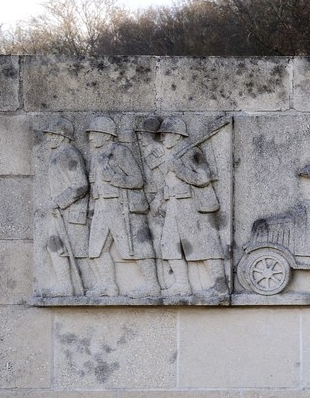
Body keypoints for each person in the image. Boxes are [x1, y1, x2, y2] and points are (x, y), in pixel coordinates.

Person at [83, 116, 159, 297]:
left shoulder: (120, 151)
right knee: (95, 249)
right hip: (101, 206)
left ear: (106, 135)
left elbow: (137, 180)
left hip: (119, 205)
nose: (91, 138)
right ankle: (108, 286)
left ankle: (152, 285)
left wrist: (115, 178)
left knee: (136, 247)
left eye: (95, 133)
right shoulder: (95, 155)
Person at [152, 117, 227, 297]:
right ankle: (182, 284)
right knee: (169, 245)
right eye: (162, 135)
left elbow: (204, 178)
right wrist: (159, 201)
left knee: (205, 244)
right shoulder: (170, 155)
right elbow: (167, 182)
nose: (163, 138)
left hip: (191, 206)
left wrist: (180, 170)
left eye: (167, 134)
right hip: (173, 205)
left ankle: (220, 286)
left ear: (177, 136)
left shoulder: (192, 152)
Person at [40, 118, 90, 296]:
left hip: (70, 211)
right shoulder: (59, 154)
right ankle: (65, 286)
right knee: (55, 247)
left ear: (62, 137)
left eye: (53, 135)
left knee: (80, 250)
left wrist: (60, 201)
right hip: (62, 211)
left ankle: (77, 286)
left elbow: (81, 185)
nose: (49, 138)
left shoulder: (69, 154)